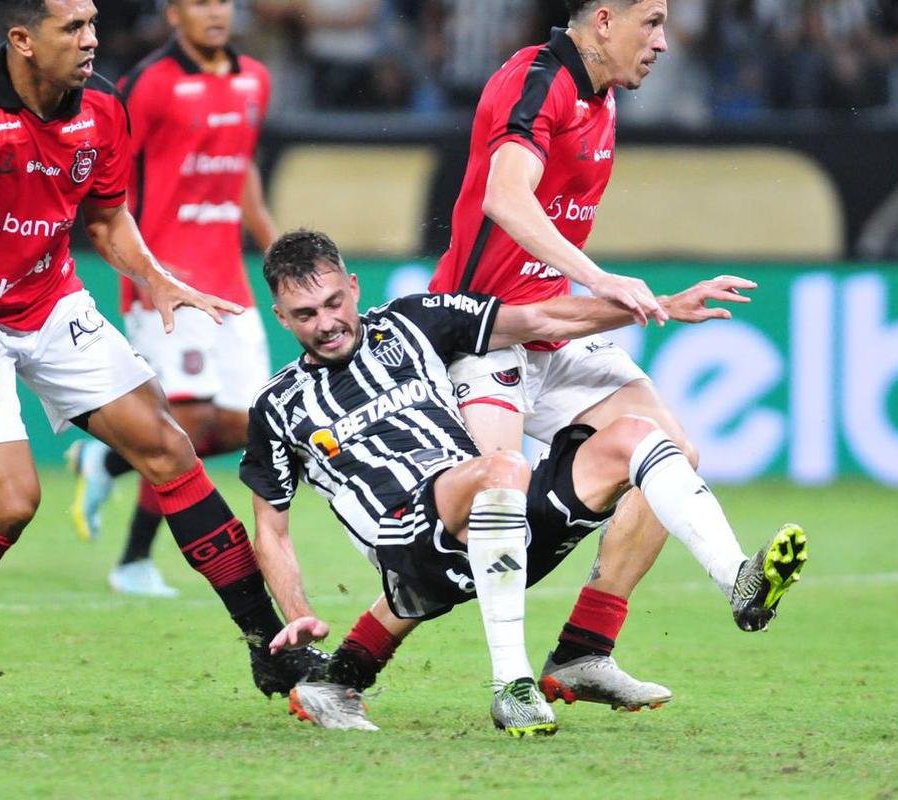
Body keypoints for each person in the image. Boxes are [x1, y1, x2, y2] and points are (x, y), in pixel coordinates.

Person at [0, 0, 319, 722]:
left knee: (170, 448)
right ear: (22, 38)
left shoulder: (103, 108)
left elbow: (107, 219)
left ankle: (269, 640)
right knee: (12, 503)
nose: (92, 40)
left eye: (92, 24)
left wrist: (156, 277)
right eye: (72, 28)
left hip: (49, 301)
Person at [240, 229, 796, 734]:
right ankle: (512, 685)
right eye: (305, 313)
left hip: (492, 525)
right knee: (504, 466)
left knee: (638, 436)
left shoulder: (413, 320)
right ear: (282, 318)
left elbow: (543, 321)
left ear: (354, 287)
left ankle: (737, 582)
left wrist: (663, 306)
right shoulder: (278, 405)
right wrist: (299, 614)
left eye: (334, 302)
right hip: (408, 540)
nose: (327, 322)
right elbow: (272, 529)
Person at [426, 0, 806, 674]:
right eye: (651, 23)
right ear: (604, 20)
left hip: (554, 329)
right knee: (479, 530)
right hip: (482, 331)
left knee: (669, 456)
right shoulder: (535, 82)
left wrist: (656, 304)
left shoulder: (604, 99)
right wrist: (599, 279)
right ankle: (365, 654)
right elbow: (504, 199)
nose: (664, 41)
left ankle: (596, 644)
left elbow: (548, 257)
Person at [66, 0, 279, 599]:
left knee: (248, 426)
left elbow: (242, 173)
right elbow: (107, 185)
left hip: (229, 283)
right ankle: (133, 561)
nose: (214, 13)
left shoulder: (255, 79)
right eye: (198, 2)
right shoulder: (147, 86)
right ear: (173, 13)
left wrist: (283, 257)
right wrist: (136, 271)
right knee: (183, 420)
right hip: (165, 280)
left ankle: (105, 462)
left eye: (222, 2)